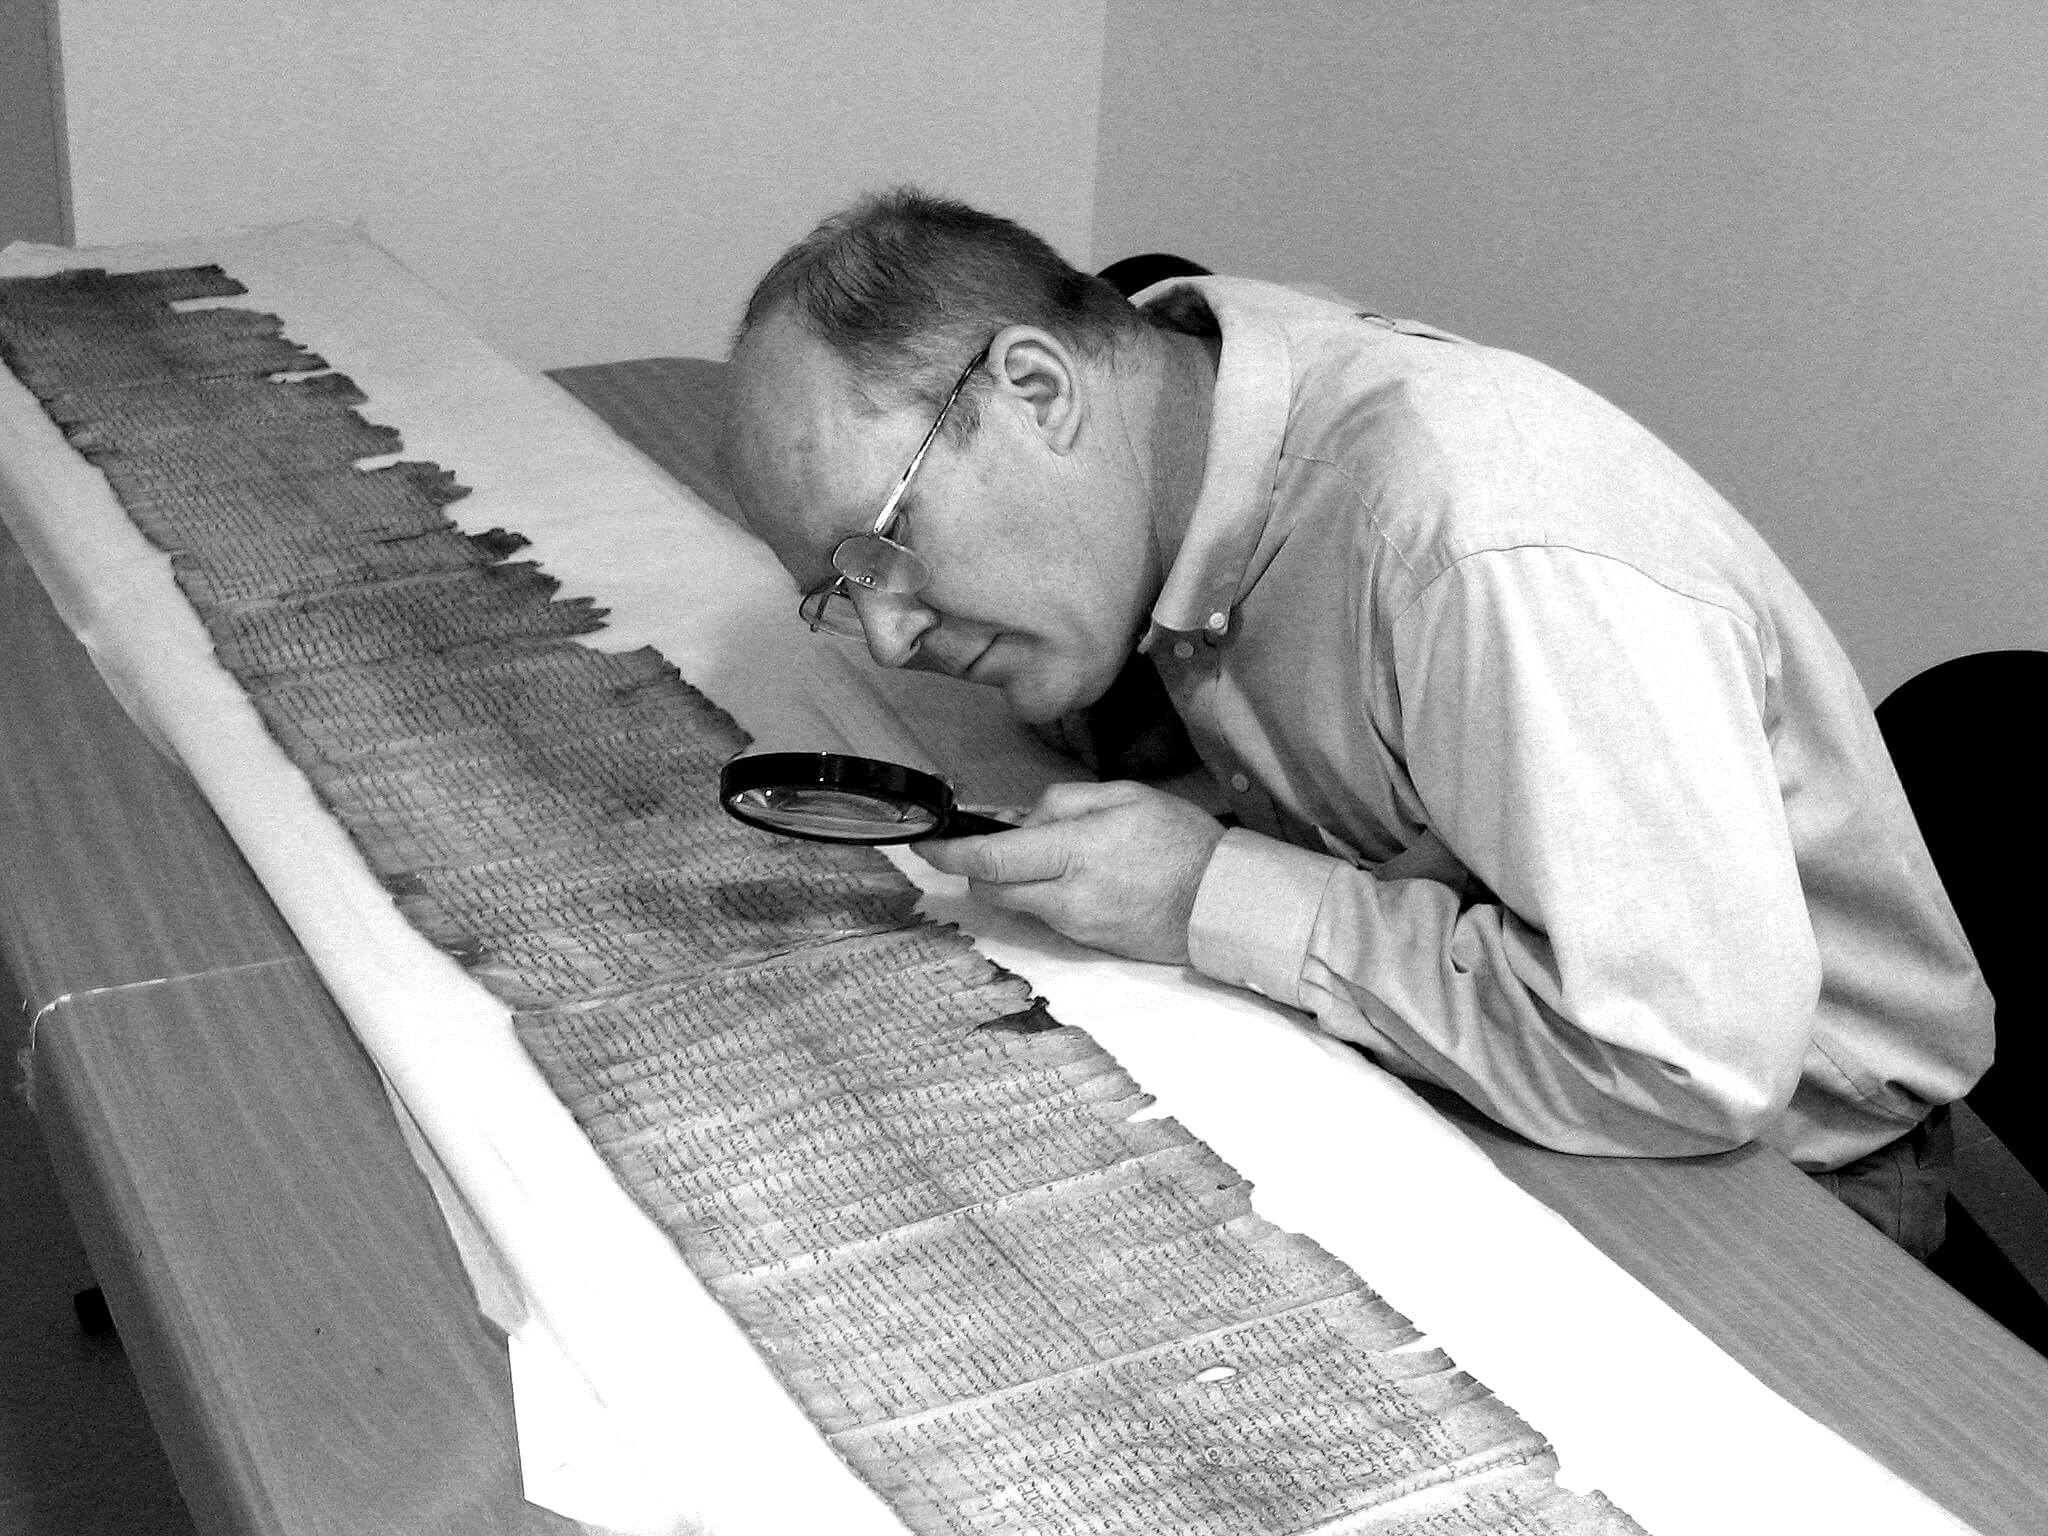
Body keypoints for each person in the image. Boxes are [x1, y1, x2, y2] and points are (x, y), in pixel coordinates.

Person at [715, 187, 1992, 1257]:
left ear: (1039, 391)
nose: (888, 637)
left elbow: (1686, 1062)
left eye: (883, 546)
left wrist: (1205, 895)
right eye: (843, 593)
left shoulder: (1479, 543)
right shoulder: (1175, 404)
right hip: (1516, 1063)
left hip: (1758, 1173)